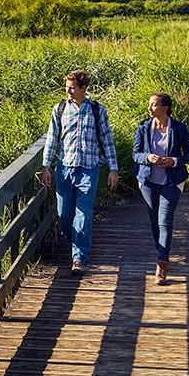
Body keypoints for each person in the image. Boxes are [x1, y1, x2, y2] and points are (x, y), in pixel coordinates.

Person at [41, 70, 119, 276]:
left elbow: (107, 140)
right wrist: (46, 166)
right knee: (64, 215)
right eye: (66, 87)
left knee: (83, 214)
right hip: (64, 169)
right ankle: (75, 240)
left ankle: (79, 258)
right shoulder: (59, 109)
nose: (68, 91)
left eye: (72, 88)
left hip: (88, 169)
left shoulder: (97, 110)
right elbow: (52, 139)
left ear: (83, 88)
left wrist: (113, 169)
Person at [132, 93, 189, 285]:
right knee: (154, 223)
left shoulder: (179, 127)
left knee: (165, 221)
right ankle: (162, 251)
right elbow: (135, 154)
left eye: (153, 105)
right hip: (148, 182)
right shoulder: (143, 127)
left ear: (165, 108)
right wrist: (147, 157)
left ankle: (161, 265)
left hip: (171, 182)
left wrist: (173, 161)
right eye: (149, 104)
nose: (149, 108)